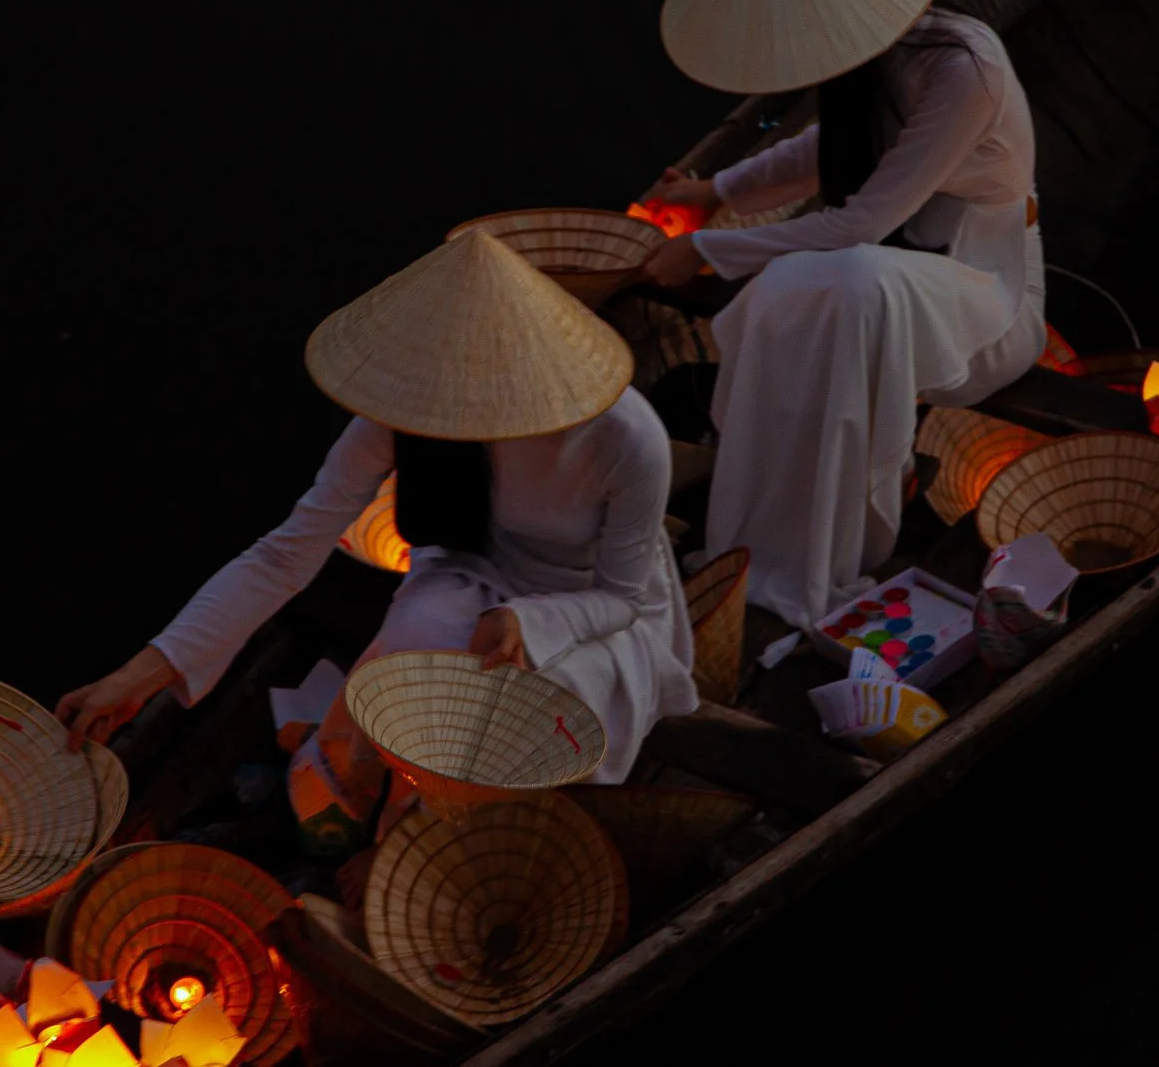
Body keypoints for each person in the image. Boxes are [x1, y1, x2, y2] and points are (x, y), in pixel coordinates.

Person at [56, 231, 698, 854]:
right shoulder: (414, 406)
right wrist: (141, 674)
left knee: (516, 717)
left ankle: (441, 842)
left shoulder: (623, 437)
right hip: (475, 563)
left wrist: (528, 621)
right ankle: (371, 805)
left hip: (586, 603)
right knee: (416, 640)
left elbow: (624, 596)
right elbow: (288, 553)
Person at [641, 0, 1045, 629]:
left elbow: (862, 218)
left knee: (839, 282)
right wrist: (715, 190)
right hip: (895, 255)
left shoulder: (962, 69)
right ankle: (765, 524)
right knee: (802, 287)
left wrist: (704, 250)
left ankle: (829, 531)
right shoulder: (873, 64)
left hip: (979, 288)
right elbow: (825, 146)